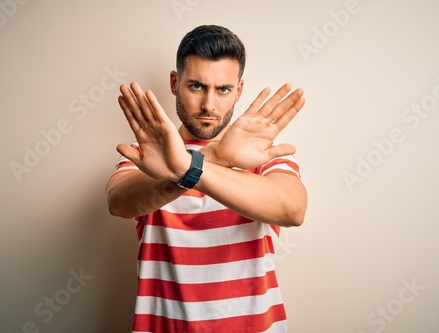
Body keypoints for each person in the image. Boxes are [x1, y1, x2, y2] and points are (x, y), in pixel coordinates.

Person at [106, 24, 307, 333]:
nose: (209, 105)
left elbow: (292, 209)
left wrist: (190, 166)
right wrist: (213, 159)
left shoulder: (262, 153)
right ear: (175, 83)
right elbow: (118, 202)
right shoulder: (148, 154)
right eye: (197, 86)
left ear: (239, 90)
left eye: (223, 89)